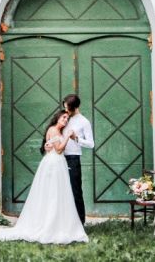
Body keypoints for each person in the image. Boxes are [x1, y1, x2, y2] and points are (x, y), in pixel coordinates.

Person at [0, 109, 88, 244]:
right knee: (52, 193)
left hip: (58, 164)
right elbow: (59, 150)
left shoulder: (58, 132)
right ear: (58, 118)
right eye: (63, 117)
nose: (65, 120)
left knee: (59, 193)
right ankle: (49, 224)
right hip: (53, 164)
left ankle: (59, 223)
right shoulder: (53, 130)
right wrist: (67, 138)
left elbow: (52, 147)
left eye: (67, 118)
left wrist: (62, 139)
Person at [60, 94, 94, 225]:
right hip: (59, 157)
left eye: (69, 109)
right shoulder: (64, 118)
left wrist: (76, 138)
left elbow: (91, 144)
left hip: (73, 158)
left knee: (75, 191)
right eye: (65, 108)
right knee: (61, 190)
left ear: (76, 107)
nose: (66, 111)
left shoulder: (84, 122)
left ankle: (80, 222)